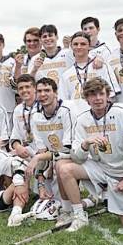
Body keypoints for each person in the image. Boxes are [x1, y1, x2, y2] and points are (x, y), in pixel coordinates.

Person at [57, 79, 123, 232]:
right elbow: (77, 158)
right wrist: (85, 144)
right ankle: (79, 215)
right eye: (92, 95)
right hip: (101, 168)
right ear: (86, 98)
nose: (97, 98)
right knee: (64, 168)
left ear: (108, 94)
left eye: (101, 93)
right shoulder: (83, 119)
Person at [23, 78, 75, 224]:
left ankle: (77, 206)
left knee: (60, 166)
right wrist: (40, 184)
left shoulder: (66, 111)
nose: (43, 94)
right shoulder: (36, 117)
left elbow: (67, 150)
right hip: (52, 160)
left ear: (56, 93)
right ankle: (86, 202)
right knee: (45, 197)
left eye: (47, 90)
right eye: (39, 91)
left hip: (73, 158)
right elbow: (42, 151)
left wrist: (37, 159)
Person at [58, 32, 120, 111]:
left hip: (98, 116)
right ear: (71, 46)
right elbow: (63, 101)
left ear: (89, 46)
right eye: (75, 44)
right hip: (76, 118)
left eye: (83, 44)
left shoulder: (102, 67)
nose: (79, 47)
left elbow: (111, 96)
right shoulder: (66, 74)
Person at [9, 74, 41, 160]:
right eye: (21, 88)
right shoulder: (17, 110)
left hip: (44, 152)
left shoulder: (44, 105)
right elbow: (15, 136)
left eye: (27, 87)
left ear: (35, 88)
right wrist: (18, 147)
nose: (24, 90)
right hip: (27, 151)